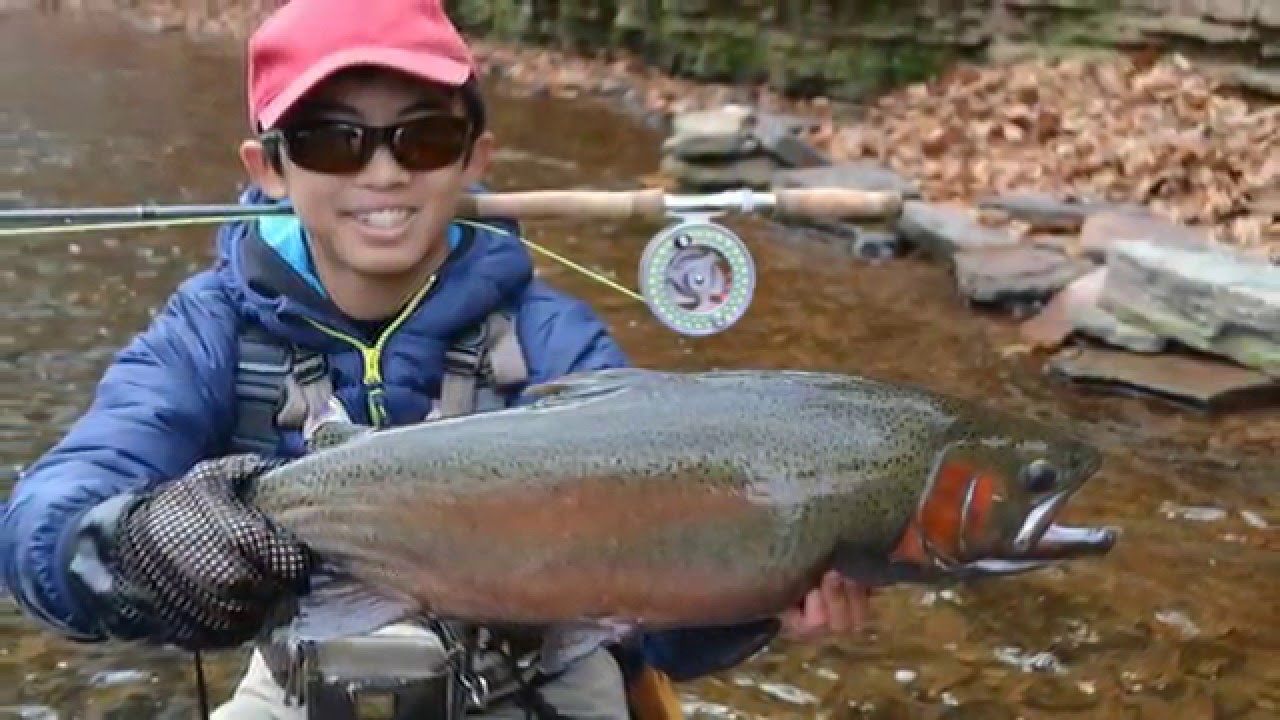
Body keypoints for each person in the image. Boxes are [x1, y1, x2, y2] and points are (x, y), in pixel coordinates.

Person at [0, 0, 874, 718]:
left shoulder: (554, 340)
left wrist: (757, 597)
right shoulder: (211, 331)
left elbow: (660, 635)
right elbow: (41, 528)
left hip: (543, 684)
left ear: (473, 158)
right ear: (268, 167)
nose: (381, 172)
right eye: (332, 142)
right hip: (302, 685)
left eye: (419, 139)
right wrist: (139, 546)